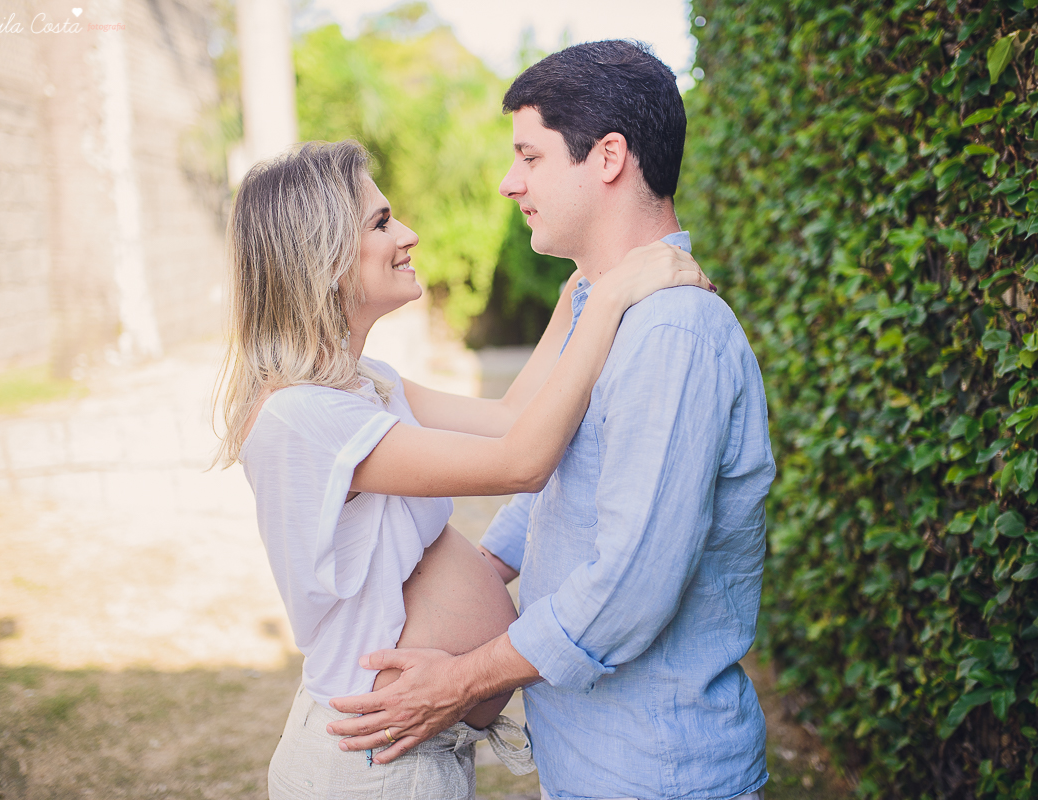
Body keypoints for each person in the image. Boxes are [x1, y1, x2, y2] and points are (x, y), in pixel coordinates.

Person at [326, 40, 777, 800]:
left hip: (656, 772)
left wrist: (461, 678)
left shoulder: (671, 333)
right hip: (590, 761)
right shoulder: (598, 305)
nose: (509, 183)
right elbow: (561, 484)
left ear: (608, 158)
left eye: (529, 157)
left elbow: (631, 587)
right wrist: (472, 581)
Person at [213, 139, 710, 799]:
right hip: (373, 762)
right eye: (382, 222)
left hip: (410, 744)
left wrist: (580, 292)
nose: (409, 234)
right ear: (322, 258)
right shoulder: (299, 417)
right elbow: (520, 462)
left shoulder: (365, 386)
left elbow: (510, 417)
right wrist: (617, 296)